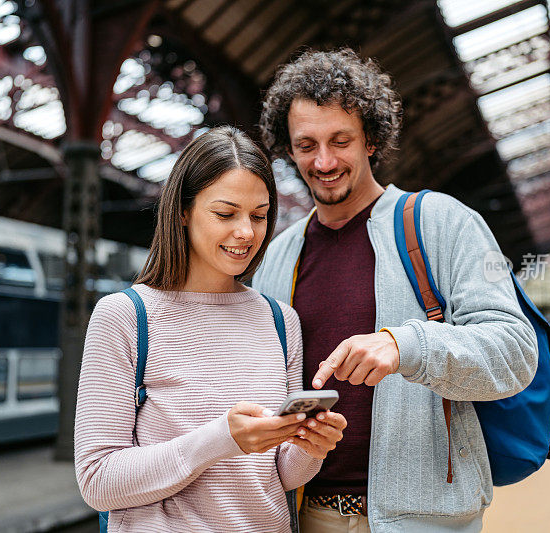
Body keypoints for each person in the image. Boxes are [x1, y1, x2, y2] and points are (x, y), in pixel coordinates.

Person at [253, 49, 539, 532]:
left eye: (340, 141)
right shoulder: (276, 257)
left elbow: (514, 350)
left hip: (423, 520)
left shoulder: (445, 223)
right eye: (306, 145)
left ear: (372, 139)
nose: (323, 161)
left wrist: (406, 344)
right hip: (305, 516)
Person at [74, 126, 347, 532]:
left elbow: (278, 475)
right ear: (183, 211)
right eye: (225, 213)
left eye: (259, 215)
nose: (246, 232)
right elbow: (97, 480)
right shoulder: (125, 316)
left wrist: (311, 448)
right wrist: (222, 439)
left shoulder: (280, 321)